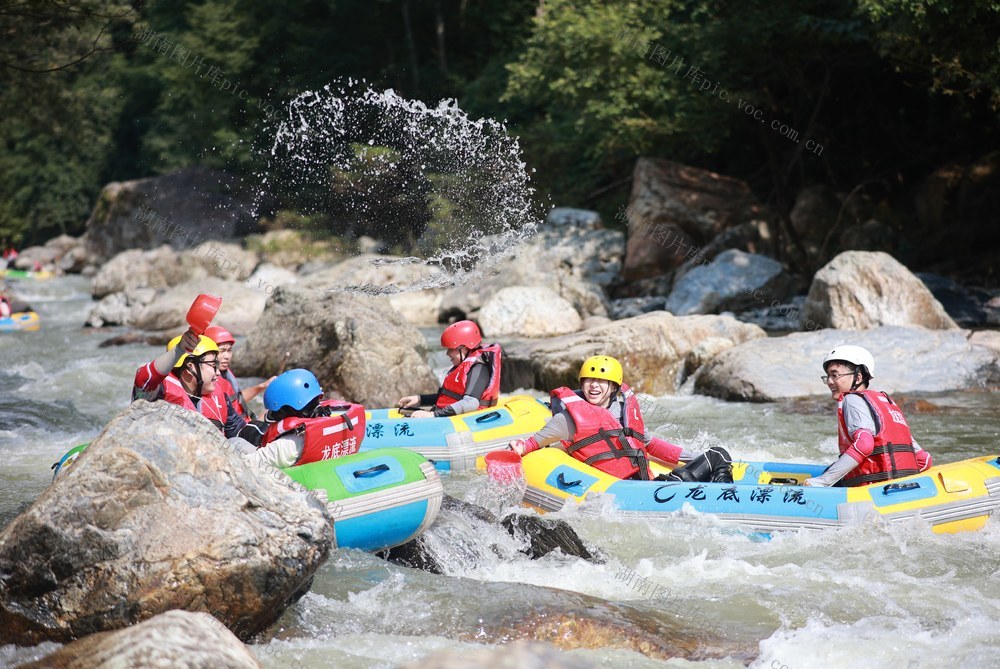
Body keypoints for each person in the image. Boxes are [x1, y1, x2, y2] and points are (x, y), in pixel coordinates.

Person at [509, 355, 732, 482]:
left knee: (717, 455)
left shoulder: (624, 413)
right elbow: (532, 443)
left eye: (601, 381)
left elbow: (651, 444)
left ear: (614, 387)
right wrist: (519, 448)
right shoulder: (568, 419)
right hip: (621, 488)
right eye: (588, 380)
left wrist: (694, 457)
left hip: (647, 481)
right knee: (685, 478)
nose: (593, 386)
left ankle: (727, 496)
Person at [804, 345, 932, 487]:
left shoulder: (851, 399)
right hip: (900, 486)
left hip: (874, 490)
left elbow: (864, 444)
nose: (829, 381)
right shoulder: (886, 402)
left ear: (858, 377)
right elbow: (924, 460)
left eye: (835, 375)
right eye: (827, 376)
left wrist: (823, 482)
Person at [241, 369, 366, 469]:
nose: (275, 417)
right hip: (337, 468)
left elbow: (245, 465)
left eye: (277, 413)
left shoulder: (289, 445)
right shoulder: (340, 418)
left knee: (237, 441)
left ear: (287, 410)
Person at [132, 330, 246, 439]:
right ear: (190, 367)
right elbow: (144, 379)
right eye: (212, 365)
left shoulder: (219, 396)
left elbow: (239, 432)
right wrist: (179, 350)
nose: (218, 372)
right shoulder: (158, 392)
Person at [397, 320, 503, 418]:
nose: (447, 353)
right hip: (445, 416)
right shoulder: (462, 366)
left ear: (465, 348)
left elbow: (470, 404)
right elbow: (448, 396)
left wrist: (433, 415)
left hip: (464, 424)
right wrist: (420, 399)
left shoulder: (479, 369)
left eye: (451, 349)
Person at [204, 325, 273, 420]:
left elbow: (236, 399)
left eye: (229, 350)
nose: (227, 356)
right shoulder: (207, 380)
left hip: (245, 422)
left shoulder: (225, 373)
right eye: (222, 351)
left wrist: (263, 385)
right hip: (236, 429)